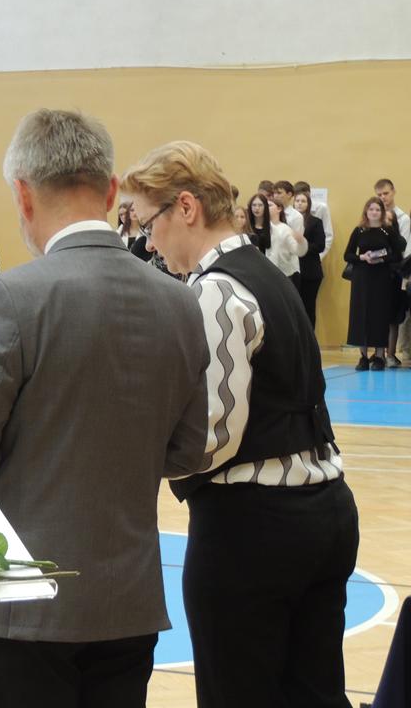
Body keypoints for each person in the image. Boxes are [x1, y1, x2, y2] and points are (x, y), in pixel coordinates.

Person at [0, 110, 209, 708]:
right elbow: (189, 450)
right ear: (111, 192)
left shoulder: (10, 295)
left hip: (24, 600)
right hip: (129, 598)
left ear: (22, 195)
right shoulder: (180, 300)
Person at [123, 140, 358, 708]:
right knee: (314, 693)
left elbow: (211, 439)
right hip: (324, 512)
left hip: (256, 529)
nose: (148, 242)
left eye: (148, 223)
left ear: (185, 207)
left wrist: (134, 458)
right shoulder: (266, 273)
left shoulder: (218, 289)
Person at [345, 196, 406, 371]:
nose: (374, 212)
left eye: (377, 209)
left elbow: (397, 255)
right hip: (361, 278)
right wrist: (362, 257)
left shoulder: (388, 231)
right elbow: (347, 255)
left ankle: (379, 356)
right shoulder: (359, 230)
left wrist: (381, 259)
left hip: (381, 277)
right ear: (366, 211)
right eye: (371, 209)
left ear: (382, 212)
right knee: (361, 314)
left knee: (380, 315)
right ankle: (363, 356)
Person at [374, 178, 410, 366]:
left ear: (393, 192)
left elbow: (404, 248)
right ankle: (377, 354)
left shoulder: (403, 219)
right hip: (377, 273)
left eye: (386, 193)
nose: (383, 197)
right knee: (377, 315)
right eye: (379, 195)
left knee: (395, 316)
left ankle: (392, 353)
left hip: (396, 271)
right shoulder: (373, 216)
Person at [294, 190, 326, 327]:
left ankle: (309, 337)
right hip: (293, 270)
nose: (300, 204)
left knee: (308, 307)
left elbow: (320, 246)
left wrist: (302, 246)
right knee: (293, 308)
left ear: (308, 204)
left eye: (303, 201)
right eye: (297, 201)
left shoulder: (315, 222)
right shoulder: (287, 221)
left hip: (310, 271)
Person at [265, 196, 303, 289]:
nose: (266, 208)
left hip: (285, 273)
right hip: (267, 272)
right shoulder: (263, 228)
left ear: (279, 209)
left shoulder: (285, 229)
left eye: (269, 205)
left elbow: (294, 251)